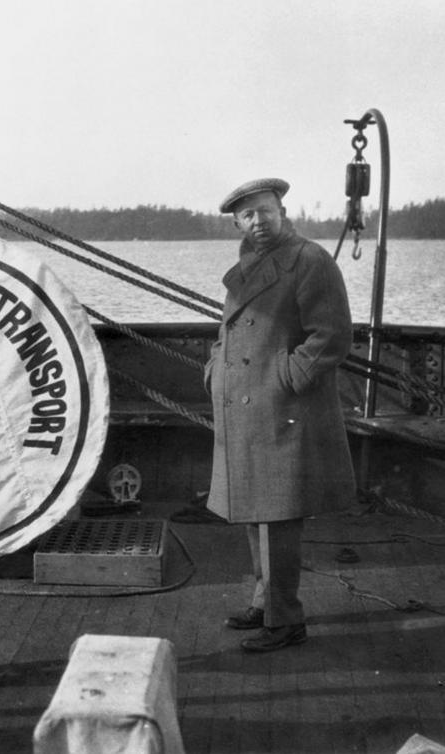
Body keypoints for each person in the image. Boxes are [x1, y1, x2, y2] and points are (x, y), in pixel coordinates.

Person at [204, 178, 356, 653]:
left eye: (266, 211)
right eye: (248, 215)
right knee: (256, 512)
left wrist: (284, 378)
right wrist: (214, 368)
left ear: (282, 210)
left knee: (277, 517)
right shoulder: (247, 266)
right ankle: (265, 602)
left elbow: (331, 336)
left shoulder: (309, 259)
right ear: (236, 222)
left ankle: (286, 619)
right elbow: (230, 331)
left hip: (281, 409)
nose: (258, 221)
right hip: (245, 409)